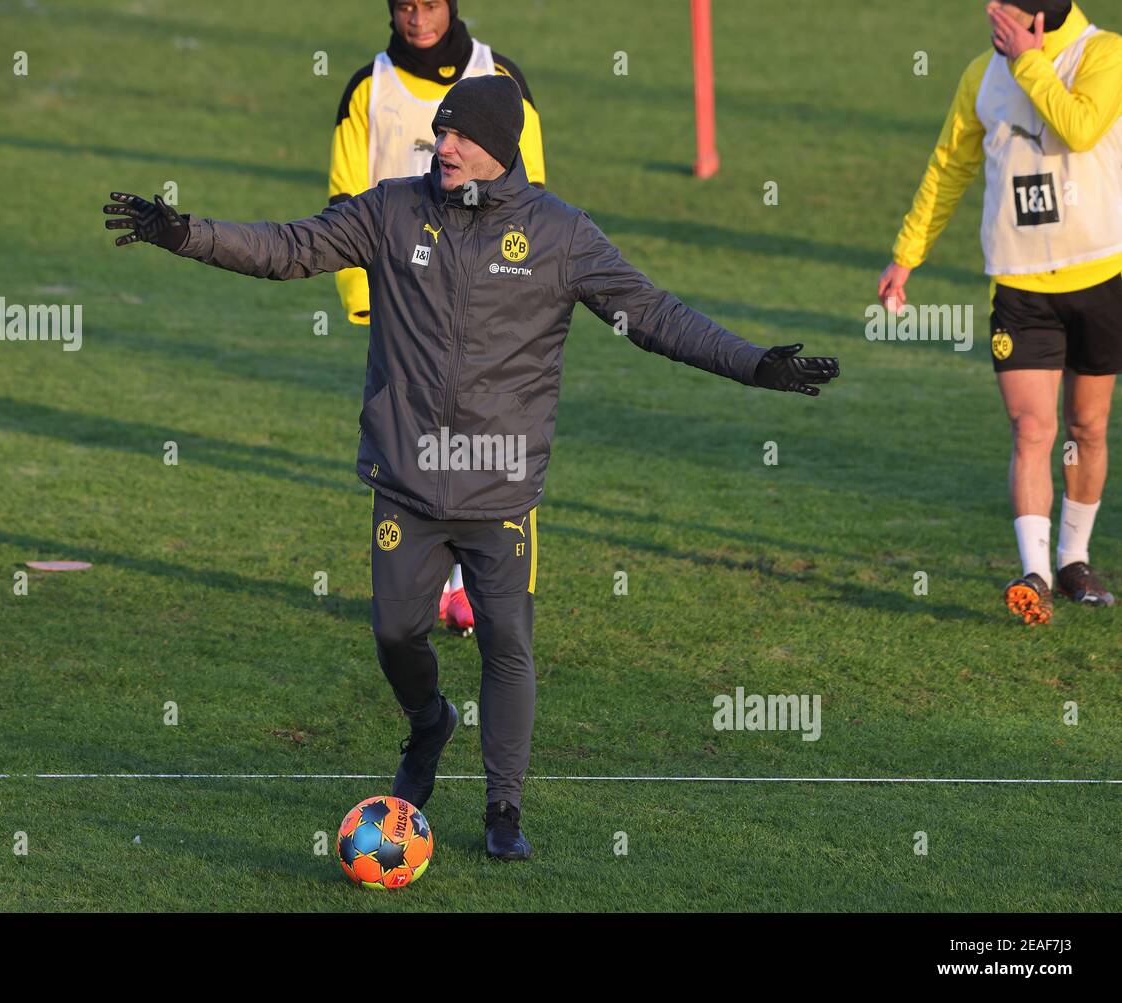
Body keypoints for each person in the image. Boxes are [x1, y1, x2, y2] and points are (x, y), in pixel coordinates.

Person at [105, 75, 839, 859]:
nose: (441, 146)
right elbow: (290, 247)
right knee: (394, 632)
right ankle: (430, 723)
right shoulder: (391, 210)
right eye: (438, 132)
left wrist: (752, 364)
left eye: (458, 136)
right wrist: (187, 234)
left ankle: (505, 810)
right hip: (408, 478)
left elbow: (653, 315)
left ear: (499, 147)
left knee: (507, 644)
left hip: (499, 487)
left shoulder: (560, 235)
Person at [879, 1, 1122, 624]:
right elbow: (949, 165)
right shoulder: (978, 76)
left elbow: (1081, 128)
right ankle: (1035, 573)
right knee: (1031, 430)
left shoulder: (1104, 53)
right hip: (1019, 289)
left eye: (1005, 6)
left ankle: (1074, 558)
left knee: (1086, 428)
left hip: (1100, 278)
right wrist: (908, 255)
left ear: (1035, 15)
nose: (991, 12)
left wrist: (1029, 64)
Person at [330, 0, 548, 635]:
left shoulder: (500, 78)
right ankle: (424, 585)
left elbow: (532, 199)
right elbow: (343, 198)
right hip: (401, 300)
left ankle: (481, 592)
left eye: (428, 5)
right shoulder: (369, 88)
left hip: (486, 300)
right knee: (411, 448)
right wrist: (362, 297)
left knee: (492, 442)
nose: (416, 18)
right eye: (404, 7)